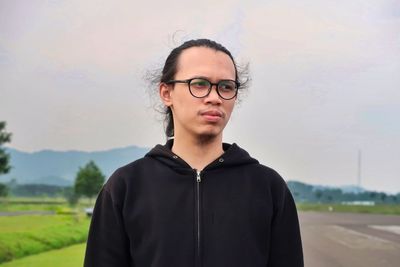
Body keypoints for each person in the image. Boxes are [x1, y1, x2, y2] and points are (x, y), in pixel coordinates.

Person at [84, 39, 303, 267]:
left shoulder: (268, 188)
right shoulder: (126, 187)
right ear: (166, 93)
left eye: (226, 86)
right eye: (199, 84)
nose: (215, 97)